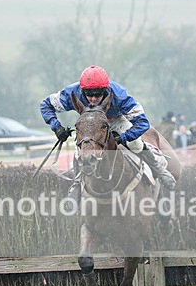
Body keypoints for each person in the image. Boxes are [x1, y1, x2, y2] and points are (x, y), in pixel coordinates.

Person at [40, 65, 176, 201]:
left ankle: (159, 169)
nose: (93, 98)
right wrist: (57, 127)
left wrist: (123, 137)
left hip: (115, 120)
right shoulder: (72, 92)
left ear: (105, 90)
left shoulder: (120, 95)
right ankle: (77, 183)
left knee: (135, 143)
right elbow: (46, 105)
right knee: (81, 149)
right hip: (89, 123)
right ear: (82, 90)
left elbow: (143, 123)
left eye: (98, 94)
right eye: (89, 94)